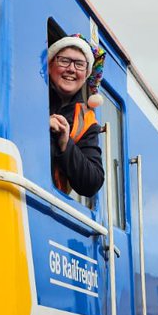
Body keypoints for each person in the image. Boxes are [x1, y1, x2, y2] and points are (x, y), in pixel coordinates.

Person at [47, 34, 105, 197]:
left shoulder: (87, 121)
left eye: (79, 64)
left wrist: (65, 143)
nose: (71, 69)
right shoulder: (31, 94)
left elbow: (92, 182)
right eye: (64, 61)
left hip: (49, 202)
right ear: (50, 65)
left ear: (86, 75)